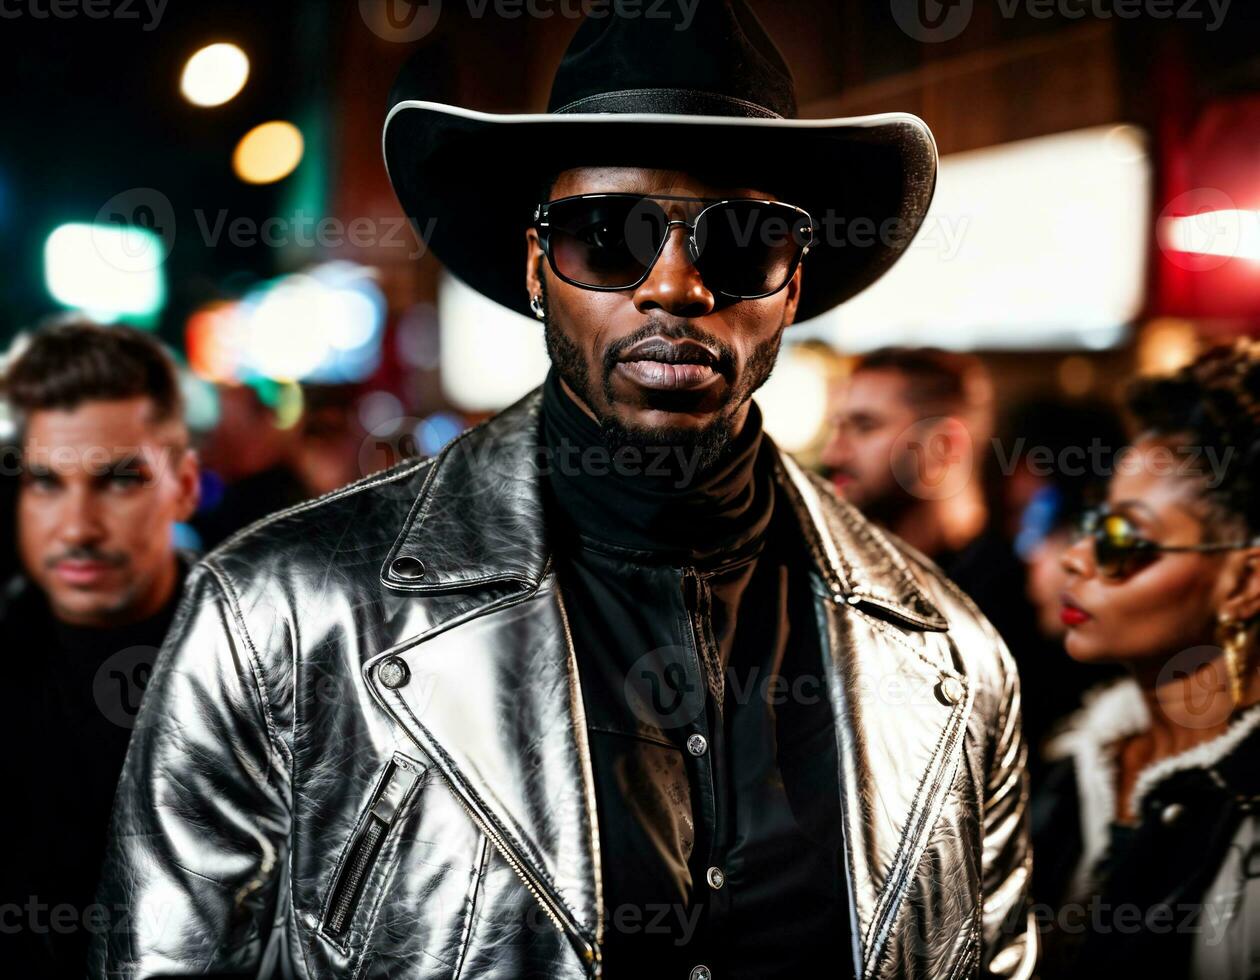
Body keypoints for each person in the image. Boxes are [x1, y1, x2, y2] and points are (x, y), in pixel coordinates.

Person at [92, 4, 1035, 978]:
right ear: (538, 266)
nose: (674, 288)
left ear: (793, 281)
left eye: (743, 240)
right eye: (606, 235)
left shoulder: (955, 659)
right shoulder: (282, 613)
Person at [1032, 341, 1260, 979]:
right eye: (1092, 522)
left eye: (1122, 539)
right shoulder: (1073, 758)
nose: (1076, 558)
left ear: (1244, 583)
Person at [0, 321, 200, 977]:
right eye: (46, 482)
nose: (79, 526)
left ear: (185, 487)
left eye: (118, 480)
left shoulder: (268, 668)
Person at [819, 348, 1040, 704]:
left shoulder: (1015, 606)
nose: (834, 454)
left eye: (864, 426)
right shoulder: (839, 587)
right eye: (837, 428)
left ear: (943, 446)